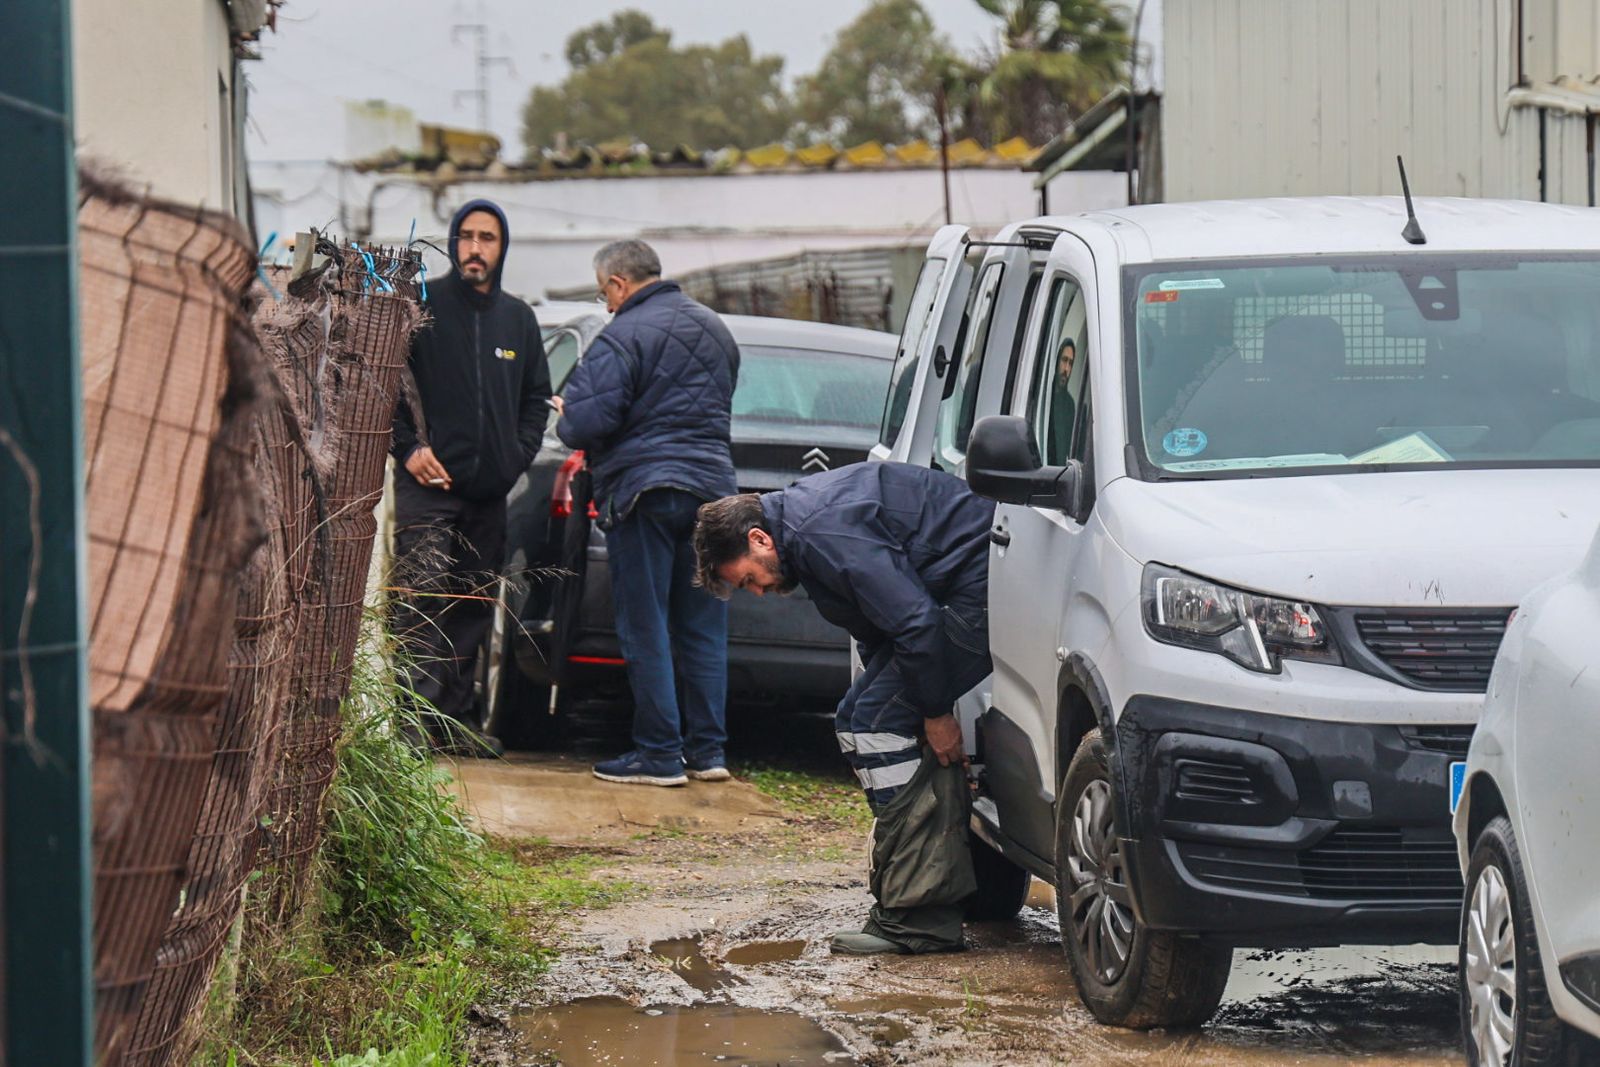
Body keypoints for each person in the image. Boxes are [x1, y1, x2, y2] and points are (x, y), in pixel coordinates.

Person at [692, 462, 995, 955]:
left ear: (759, 539)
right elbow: (880, 626)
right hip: (951, 590)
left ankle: (923, 916)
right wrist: (917, 706)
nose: (758, 592)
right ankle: (922, 894)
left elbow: (915, 622)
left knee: (875, 723)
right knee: (859, 717)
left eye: (748, 578)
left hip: (980, 589)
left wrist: (935, 713)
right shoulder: (803, 533)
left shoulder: (822, 532)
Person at [555, 239, 740, 787]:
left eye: (602, 292)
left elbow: (586, 423)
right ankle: (708, 754)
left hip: (645, 492)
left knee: (647, 624)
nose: (606, 303)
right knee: (704, 626)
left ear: (618, 283)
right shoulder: (715, 328)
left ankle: (658, 754)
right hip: (712, 494)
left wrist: (569, 414)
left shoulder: (622, 334)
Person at [391, 198, 551, 756]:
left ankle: (453, 723)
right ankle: (409, 726)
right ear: (453, 241)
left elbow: (536, 400)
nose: (475, 248)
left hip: (489, 495)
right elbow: (381, 386)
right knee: (420, 601)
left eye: (487, 238)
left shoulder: (519, 318)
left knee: (474, 607)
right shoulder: (421, 305)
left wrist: (516, 457)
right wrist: (406, 449)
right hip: (428, 491)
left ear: (502, 248)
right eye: (466, 236)